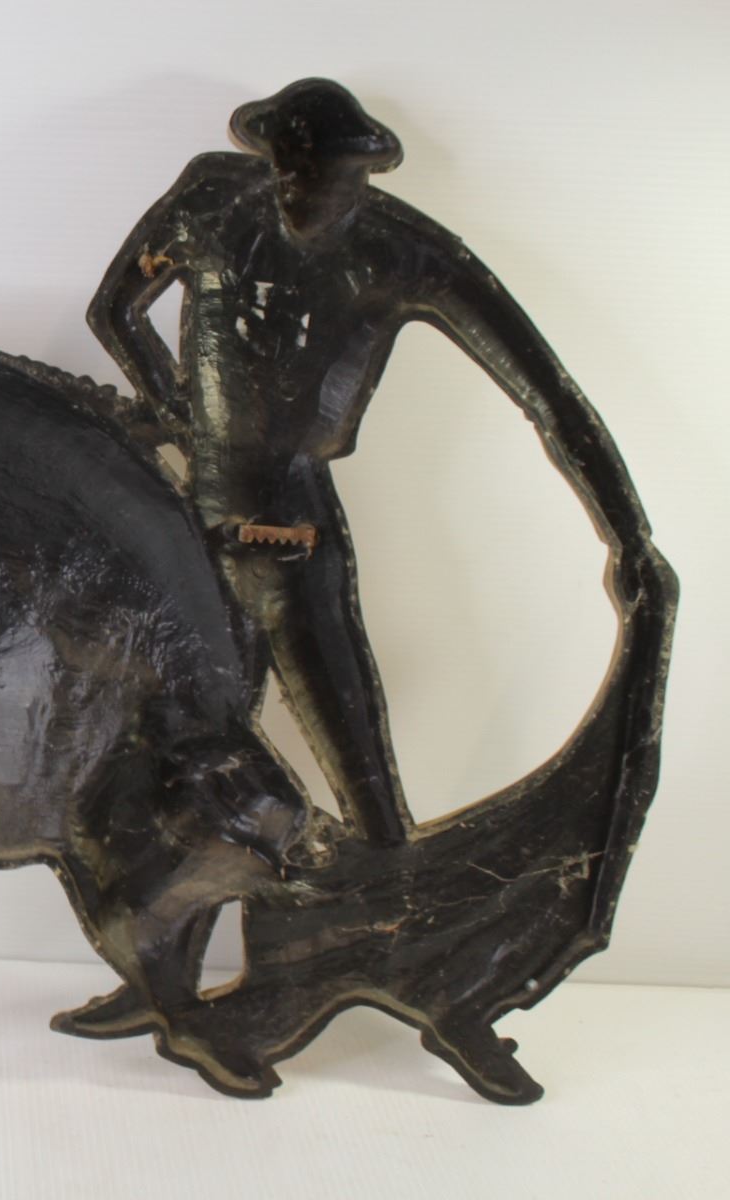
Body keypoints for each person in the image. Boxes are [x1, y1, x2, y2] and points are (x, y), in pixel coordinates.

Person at [88, 79, 663, 845]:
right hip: (195, 518)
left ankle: (381, 865)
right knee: (162, 753)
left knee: (356, 764)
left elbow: (549, 398)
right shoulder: (212, 198)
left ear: (359, 172)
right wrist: (176, 414)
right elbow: (116, 310)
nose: (301, 189)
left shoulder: (401, 254)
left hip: (291, 524)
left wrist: (628, 536)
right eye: (291, 167)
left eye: (322, 173)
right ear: (271, 156)